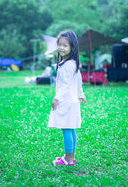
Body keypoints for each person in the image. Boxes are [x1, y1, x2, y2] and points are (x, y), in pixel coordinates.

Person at [48, 31, 86, 166]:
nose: (61, 48)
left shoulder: (67, 65)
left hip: (66, 101)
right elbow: (78, 79)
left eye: (65, 45)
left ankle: (69, 159)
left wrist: (56, 98)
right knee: (71, 129)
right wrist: (80, 94)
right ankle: (70, 156)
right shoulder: (72, 63)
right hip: (72, 100)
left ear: (72, 47)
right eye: (60, 45)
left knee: (66, 129)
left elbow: (64, 85)